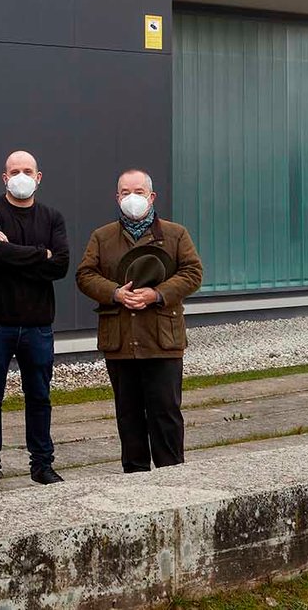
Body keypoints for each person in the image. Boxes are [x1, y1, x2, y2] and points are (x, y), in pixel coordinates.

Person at [76, 168, 204, 473]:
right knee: (128, 415)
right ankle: (134, 478)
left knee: (166, 413)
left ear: (152, 196)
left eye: (138, 192)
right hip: (121, 341)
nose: (131, 198)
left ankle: (172, 474)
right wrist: (115, 293)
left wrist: (157, 294)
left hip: (162, 340)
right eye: (125, 192)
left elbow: (192, 273)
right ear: (117, 197)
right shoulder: (102, 237)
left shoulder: (175, 234)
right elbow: (85, 275)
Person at [0, 150, 71, 493]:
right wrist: (40, 254)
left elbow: (60, 265)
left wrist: (10, 250)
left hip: (38, 325)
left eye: (28, 170)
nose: (21, 176)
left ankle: (42, 465)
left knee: (39, 396)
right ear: (4, 177)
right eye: (14, 171)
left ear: (38, 177)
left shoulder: (52, 217)